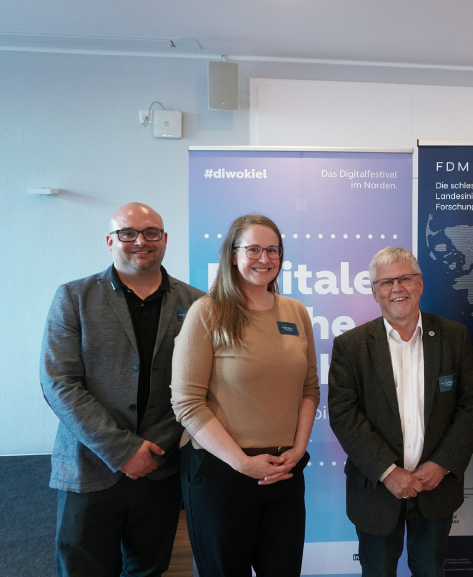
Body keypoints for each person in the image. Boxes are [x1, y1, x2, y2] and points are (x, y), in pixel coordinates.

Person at [40, 202, 204, 576]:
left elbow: (200, 388)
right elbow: (59, 382)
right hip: (89, 466)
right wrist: (123, 449)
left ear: (164, 240)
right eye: (128, 233)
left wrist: (153, 448)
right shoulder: (74, 297)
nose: (140, 241)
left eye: (151, 233)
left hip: (159, 469)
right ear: (110, 240)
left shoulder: (196, 303)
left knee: (148, 569)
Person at [171, 214, 320, 577]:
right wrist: (241, 461)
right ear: (232, 254)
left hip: (284, 472)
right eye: (253, 249)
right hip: (221, 474)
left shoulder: (295, 312)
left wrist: (298, 450)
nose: (264, 258)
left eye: (272, 250)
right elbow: (187, 402)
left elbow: (309, 388)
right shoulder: (206, 312)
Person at [328, 247, 473, 577]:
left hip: (436, 489)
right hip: (375, 491)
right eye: (386, 282)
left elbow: (471, 405)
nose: (397, 288)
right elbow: (343, 414)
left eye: (405, 279)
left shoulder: (454, 337)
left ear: (420, 284)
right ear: (374, 292)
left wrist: (442, 464)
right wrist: (387, 470)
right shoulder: (351, 346)